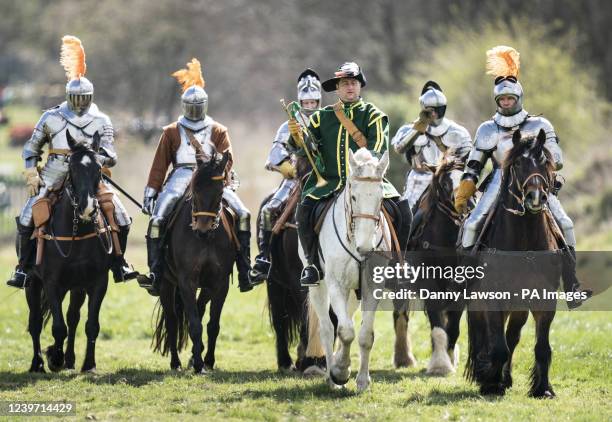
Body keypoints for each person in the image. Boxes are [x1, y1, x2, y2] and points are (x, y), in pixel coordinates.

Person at [454, 45, 591, 308]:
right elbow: (474, 164)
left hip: (535, 181)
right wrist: (466, 187)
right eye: (501, 100)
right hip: (499, 180)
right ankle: (464, 281)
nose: (506, 103)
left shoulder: (540, 125)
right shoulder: (487, 129)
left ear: (519, 98)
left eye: (510, 99)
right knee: (471, 225)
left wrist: (541, 155)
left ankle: (572, 285)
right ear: (497, 101)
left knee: (567, 223)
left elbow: (558, 160)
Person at [6, 35, 136, 289]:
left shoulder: (102, 119)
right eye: (75, 98)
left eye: (84, 98)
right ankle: (22, 268)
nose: (79, 103)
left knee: (122, 217)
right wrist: (32, 172)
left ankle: (120, 262)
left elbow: (111, 154)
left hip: (89, 176)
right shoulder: (51, 117)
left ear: (90, 96)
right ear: (68, 96)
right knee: (25, 219)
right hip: (54, 172)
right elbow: (31, 148)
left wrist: (91, 160)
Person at [137, 58, 253, 295]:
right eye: (191, 107)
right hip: (180, 176)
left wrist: (221, 176)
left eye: (198, 107)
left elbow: (227, 159)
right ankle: (156, 272)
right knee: (158, 218)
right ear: (183, 106)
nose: (194, 111)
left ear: (205, 106)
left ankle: (245, 269)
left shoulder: (218, 130)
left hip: (211, 178)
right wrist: (151, 192)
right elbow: (160, 164)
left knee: (243, 213)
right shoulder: (171, 131)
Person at [290, 62, 412, 287]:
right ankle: (312, 266)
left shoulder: (374, 115)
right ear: (337, 88)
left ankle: (398, 265)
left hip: (367, 181)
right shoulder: (321, 117)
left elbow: (377, 149)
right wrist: (298, 137)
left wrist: (364, 168)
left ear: (360, 86)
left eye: (354, 83)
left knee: (404, 210)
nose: (349, 88)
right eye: (345, 83)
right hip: (329, 183)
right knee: (303, 211)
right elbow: (306, 150)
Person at [249, 68, 322, 283]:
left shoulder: (327, 120)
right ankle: (264, 258)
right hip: (295, 179)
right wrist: (286, 168)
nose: (309, 105)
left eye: (313, 102)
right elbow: (275, 153)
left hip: (324, 178)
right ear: (300, 100)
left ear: (318, 100)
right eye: (306, 102)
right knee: (269, 209)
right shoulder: (289, 123)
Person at [391, 81, 472, 210]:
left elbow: (468, 161)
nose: (434, 114)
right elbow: (399, 148)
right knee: (405, 215)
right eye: (430, 110)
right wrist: (417, 129)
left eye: (437, 109)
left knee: (471, 211)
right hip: (419, 180)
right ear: (423, 108)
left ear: (443, 108)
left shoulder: (458, 132)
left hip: (450, 180)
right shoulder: (408, 130)